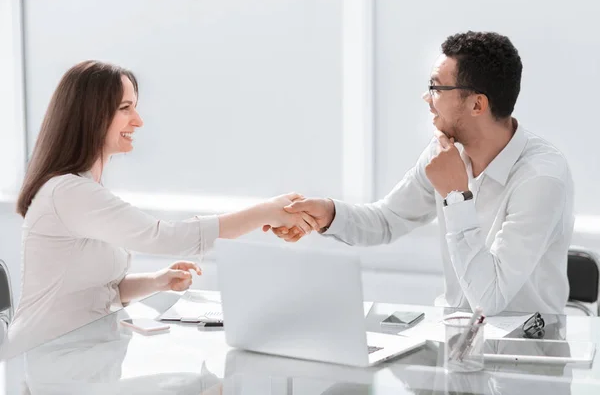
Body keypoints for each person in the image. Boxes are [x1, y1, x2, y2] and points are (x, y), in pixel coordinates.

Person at [1, 60, 318, 358]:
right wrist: (266, 212)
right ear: (92, 116)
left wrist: (157, 280)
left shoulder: (86, 193)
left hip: (83, 357)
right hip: (43, 360)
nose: (138, 121)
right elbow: (165, 237)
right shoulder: (68, 192)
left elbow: (94, 294)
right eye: (125, 108)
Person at [265, 31, 574, 316]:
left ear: (477, 104)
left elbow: (489, 299)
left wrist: (457, 198)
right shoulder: (446, 154)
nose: (427, 99)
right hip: (454, 339)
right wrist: (329, 214)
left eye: (436, 88)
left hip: (527, 354)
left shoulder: (541, 179)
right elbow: (387, 221)